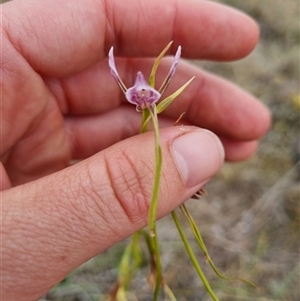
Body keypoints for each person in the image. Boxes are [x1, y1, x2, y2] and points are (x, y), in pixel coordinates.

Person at [1, 0, 271, 300]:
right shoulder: (140, 100)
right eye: (138, 91)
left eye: (146, 92)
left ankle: (208, 277)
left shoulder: (149, 100)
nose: (142, 93)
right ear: (132, 93)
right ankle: (174, 282)